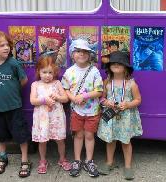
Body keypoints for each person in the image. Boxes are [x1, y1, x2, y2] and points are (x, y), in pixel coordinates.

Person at [0, 31, 31, 178]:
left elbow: (23, 80)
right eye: (1, 45)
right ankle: (3, 156)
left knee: (20, 134)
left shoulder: (13, 63)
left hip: (14, 107)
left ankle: (25, 160)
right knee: (0, 134)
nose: (6, 48)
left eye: (7, 45)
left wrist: (13, 90)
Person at [97, 51, 143, 180]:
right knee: (110, 140)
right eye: (114, 63)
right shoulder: (106, 82)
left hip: (125, 117)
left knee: (126, 141)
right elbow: (101, 98)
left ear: (126, 67)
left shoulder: (131, 84)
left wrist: (128, 104)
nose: (116, 65)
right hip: (110, 116)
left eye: (120, 63)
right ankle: (109, 162)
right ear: (109, 66)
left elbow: (138, 100)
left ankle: (128, 166)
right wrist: (106, 102)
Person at [61, 39, 103, 177]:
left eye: (85, 51)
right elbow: (65, 88)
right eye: (78, 51)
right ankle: (77, 160)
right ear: (72, 54)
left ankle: (89, 160)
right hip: (76, 110)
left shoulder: (94, 71)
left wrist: (84, 96)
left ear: (89, 55)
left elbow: (99, 91)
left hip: (92, 110)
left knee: (89, 135)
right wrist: (73, 98)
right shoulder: (69, 72)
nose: (82, 54)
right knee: (78, 135)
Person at [30, 56, 71, 174]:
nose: (47, 75)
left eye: (50, 72)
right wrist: (44, 100)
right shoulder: (35, 84)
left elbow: (65, 99)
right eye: (44, 72)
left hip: (56, 117)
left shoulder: (57, 83)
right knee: (42, 141)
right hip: (42, 118)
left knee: (60, 140)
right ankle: (43, 161)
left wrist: (57, 97)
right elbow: (32, 101)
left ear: (54, 72)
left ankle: (62, 159)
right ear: (38, 71)